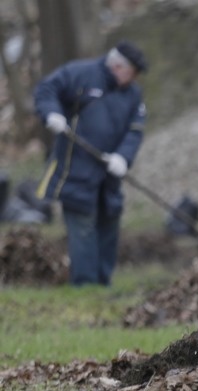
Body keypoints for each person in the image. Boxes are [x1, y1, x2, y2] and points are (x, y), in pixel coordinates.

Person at [34, 41, 148, 286]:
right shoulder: (79, 74)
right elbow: (46, 90)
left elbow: (135, 130)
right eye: (132, 72)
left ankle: (103, 281)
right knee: (82, 227)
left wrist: (122, 157)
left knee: (109, 221)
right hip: (76, 170)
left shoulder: (133, 93)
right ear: (117, 66)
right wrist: (52, 113)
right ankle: (85, 285)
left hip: (109, 174)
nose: (134, 78)